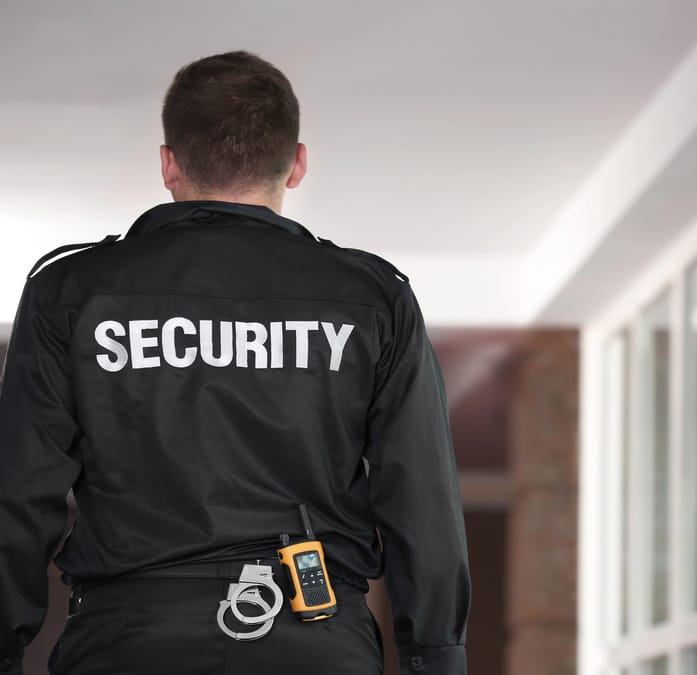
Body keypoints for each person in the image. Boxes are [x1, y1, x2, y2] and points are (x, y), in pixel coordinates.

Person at [0, 51, 470, 675]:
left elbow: (20, 494)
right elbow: (420, 497)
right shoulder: (371, 299)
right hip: (317, 640)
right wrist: (434, 658)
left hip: (126, 643)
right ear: (296, 162)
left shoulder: (73, 290)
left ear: (169, 164)